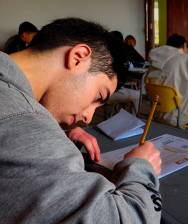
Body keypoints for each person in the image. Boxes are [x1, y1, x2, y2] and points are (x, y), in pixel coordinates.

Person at [0, 18, 162, 223]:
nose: (88, 117)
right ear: (78, 57)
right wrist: (141, 167)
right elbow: (127, 218)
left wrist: (59, 140)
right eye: (98, 96)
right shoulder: (21, 120)